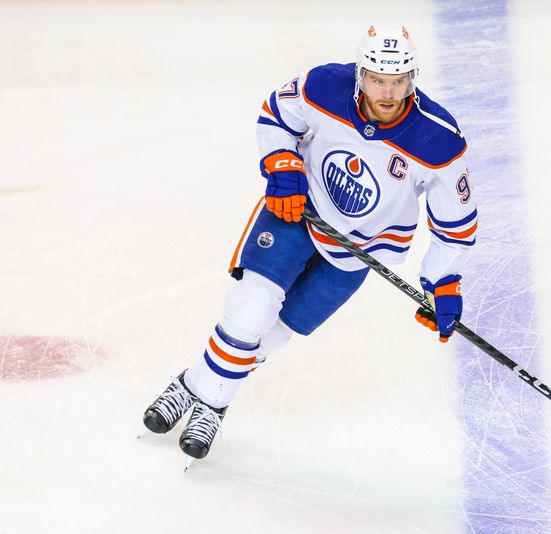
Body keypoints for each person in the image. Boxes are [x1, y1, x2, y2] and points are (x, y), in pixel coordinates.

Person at [142, 25, 478, 460]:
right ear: (361, 74)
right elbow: (278, 114)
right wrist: (282, 163)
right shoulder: (324, 85)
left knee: (275, 335)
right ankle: (215, 405)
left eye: (398, 81)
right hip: (297, 212)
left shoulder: (438, 139)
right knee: (249, 310)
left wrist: (442, 281)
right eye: (378, 79)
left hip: (362, 251)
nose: (389, 92)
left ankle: (195, 386)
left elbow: (455, 224)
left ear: (413, 76)